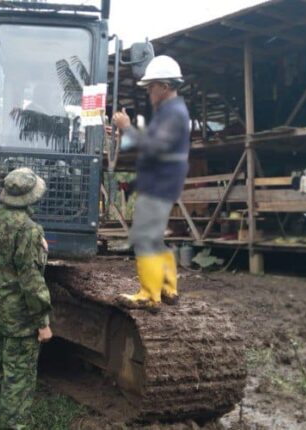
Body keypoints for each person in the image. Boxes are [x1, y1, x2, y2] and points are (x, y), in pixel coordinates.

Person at [0, 167, 53, 429]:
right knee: (18, 380)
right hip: (22, 319)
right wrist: (43, 322)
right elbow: (31, 281)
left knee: (3, 370)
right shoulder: (29, 230)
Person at [111, 55, 191, 311]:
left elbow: (155, 147)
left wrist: (128, 128)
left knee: (145, 238)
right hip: (162, 181)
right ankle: (168, 288)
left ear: (165, 86)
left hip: (159, 184)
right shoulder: (171, 111)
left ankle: (149, 294)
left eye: (151, 86)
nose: (149, 92)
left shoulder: (174, 114)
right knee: (155, 239)